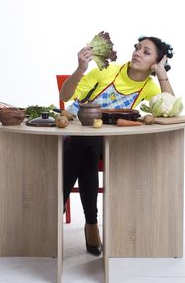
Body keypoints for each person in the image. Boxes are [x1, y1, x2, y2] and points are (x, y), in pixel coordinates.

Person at [60, 36, 175, 256]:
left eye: (147, 52)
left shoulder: (150, 89)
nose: (138, 53)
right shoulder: (106, 71)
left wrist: (161, 74)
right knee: (88, 149)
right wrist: (80, 68)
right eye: (138, 48)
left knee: (89, 144)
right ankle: (92, 225)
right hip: (79, 135)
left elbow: (170, 110)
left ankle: (55, 206)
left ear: (157, 62)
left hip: (111, 145)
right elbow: (65, 97)